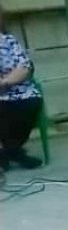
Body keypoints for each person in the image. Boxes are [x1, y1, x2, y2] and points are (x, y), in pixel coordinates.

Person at [0, 10, 44, 171]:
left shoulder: (9, 41)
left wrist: (5, 82)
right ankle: (13, 152)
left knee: (32, 100)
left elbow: (25, 67)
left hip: (17, 88)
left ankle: (10, 151)